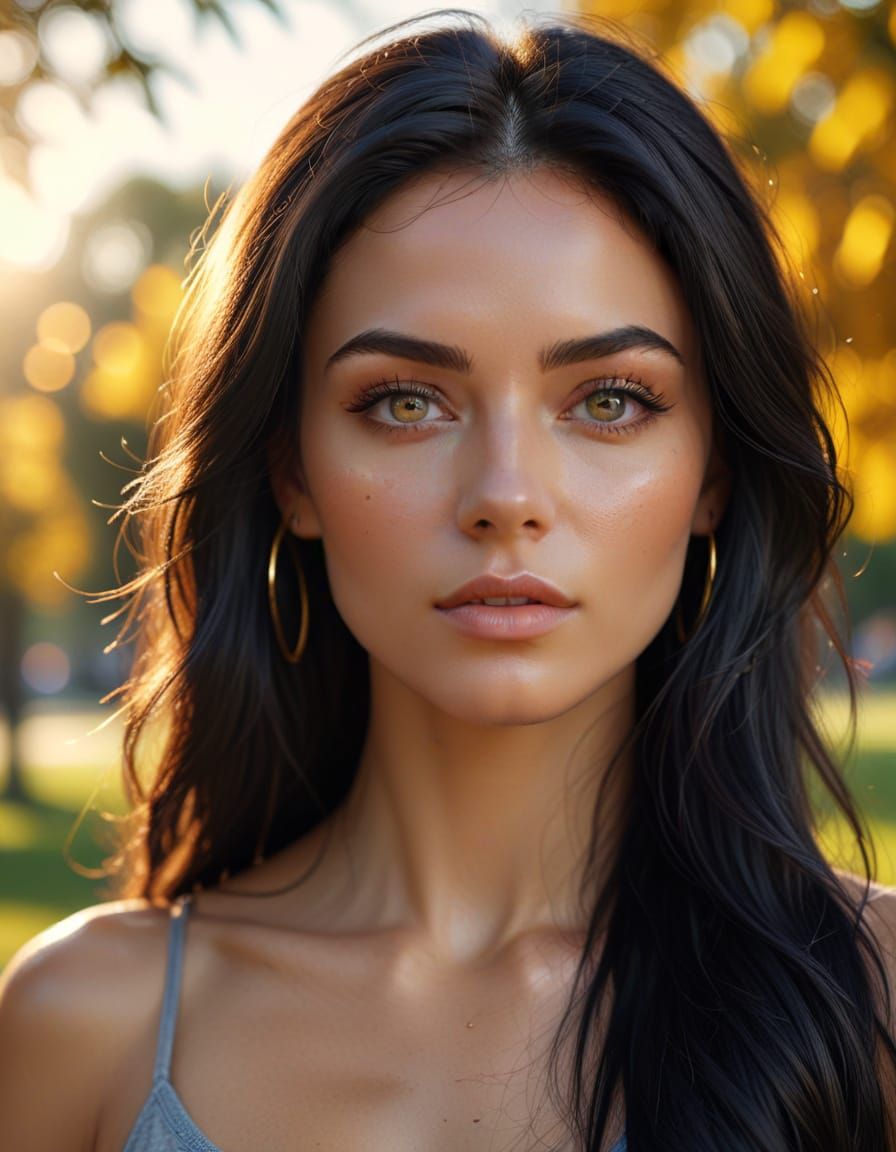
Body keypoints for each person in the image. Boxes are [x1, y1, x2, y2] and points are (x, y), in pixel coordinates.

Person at [1, 9, 895, 1151]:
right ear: (291, 470)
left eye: (608, 400)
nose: (504, 494)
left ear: (712, 471)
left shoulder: (863, 1013)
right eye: (404, 402)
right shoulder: (88, 1029)